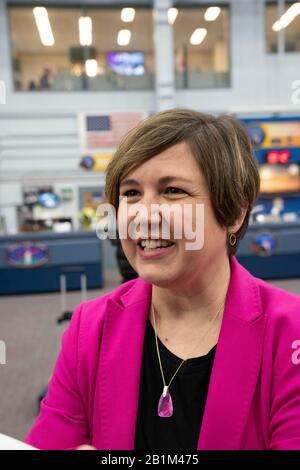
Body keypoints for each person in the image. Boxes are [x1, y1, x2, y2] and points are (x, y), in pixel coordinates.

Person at [26, 109, 300, 450]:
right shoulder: (89, 328)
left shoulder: (290, 332)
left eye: (171, 190)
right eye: (130, 194)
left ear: (233, 212)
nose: (143, 215)